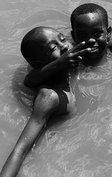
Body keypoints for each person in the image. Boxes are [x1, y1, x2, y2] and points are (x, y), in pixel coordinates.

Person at [0, 26, 91, 177]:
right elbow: (20, 149)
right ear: (38, 64)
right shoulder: (49, 97)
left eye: (62, 39)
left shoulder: (71, 58)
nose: (64, 47)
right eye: (53, 48)